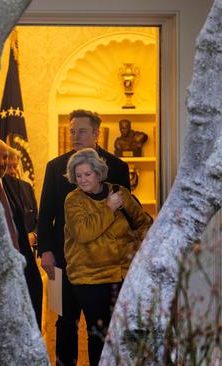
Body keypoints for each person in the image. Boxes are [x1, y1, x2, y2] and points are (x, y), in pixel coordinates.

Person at [37, 109, 130, 365]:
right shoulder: (55, 168)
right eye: (72, 131)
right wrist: (45, 250)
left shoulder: (118, 168)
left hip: (102, 264)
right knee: (64, 324)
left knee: (98, 329)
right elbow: (45, 215)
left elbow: (126, 217)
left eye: (82, 131)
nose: (75, 136)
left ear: (97, 133)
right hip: (62, 263)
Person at [64, 148, 152, 366]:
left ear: (98, 173)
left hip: (124, 274)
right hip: (90, 278)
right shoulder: (73, 200)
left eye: (87, 174)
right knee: (99, 335)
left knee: (124, 332)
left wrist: (142, 243)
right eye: (78, 175)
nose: (82, 180)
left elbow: (143, 222)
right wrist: (109, 207)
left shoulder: (119, 192)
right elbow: (84, 232)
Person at [0, 140, 43, 329]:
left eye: (8, 159)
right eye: (3, 158)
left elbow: (36, 220)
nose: (7, 165)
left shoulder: (18, 186)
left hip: (25, 265)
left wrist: (32, 236)